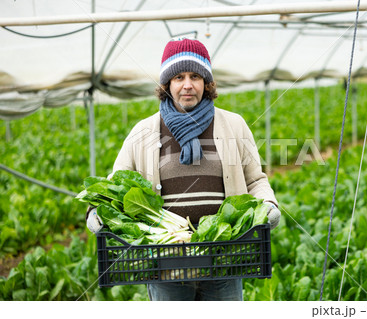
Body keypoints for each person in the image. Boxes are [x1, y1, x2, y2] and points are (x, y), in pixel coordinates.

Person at [86, 38, 281, 301]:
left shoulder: (234, 125)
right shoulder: (143, 132)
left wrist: (267, 203)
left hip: (224, 259)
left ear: (207, 83)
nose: (187, 84)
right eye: (178, 77)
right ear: (167, 85)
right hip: (167, 264)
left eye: (195, 76)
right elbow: (114, 187)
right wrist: (97, 213)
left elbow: (255, 180)